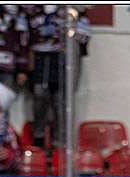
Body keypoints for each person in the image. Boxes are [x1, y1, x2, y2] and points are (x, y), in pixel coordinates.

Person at [25, 5, 91, 148]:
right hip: (40, 57)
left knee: (61, 101)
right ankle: (39, 138)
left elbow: (83, 36)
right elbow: (24, 33)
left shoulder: (72, 9)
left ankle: (60, 144)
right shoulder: (34, 9)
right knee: (39, 95)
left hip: (63, 58)